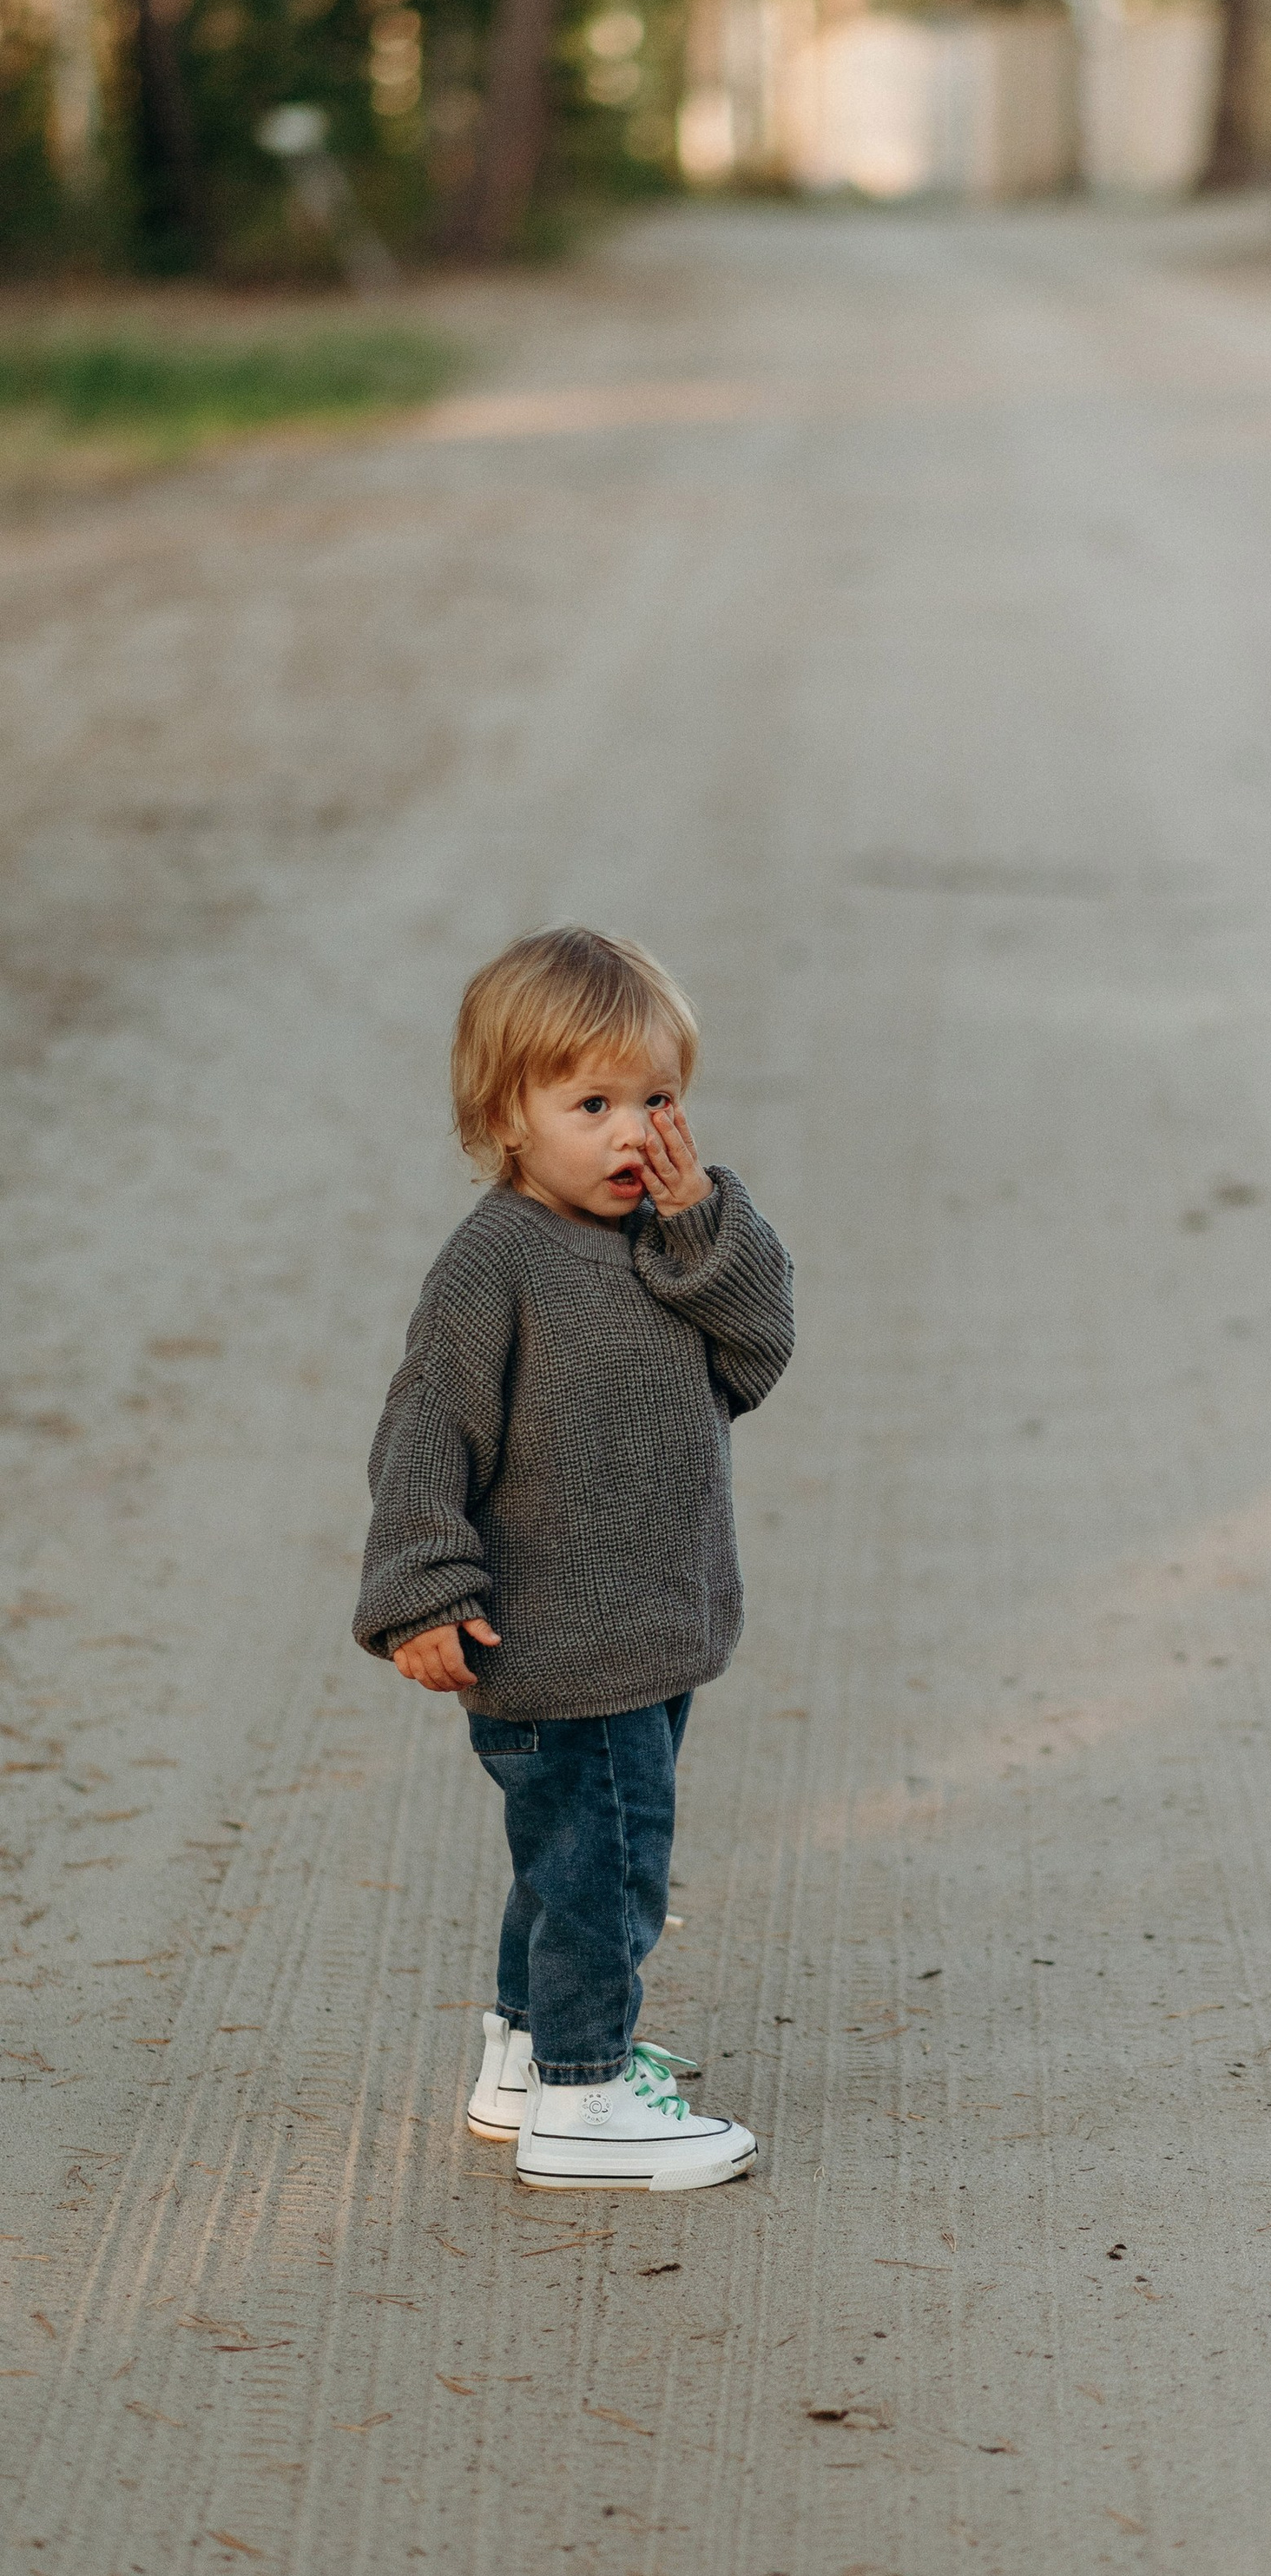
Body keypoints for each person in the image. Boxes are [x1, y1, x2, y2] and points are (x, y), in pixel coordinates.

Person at [353, 926, 795, 2192]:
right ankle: (584, 2102)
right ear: (506, 1118)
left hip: (651, 1630)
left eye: (656, 1100)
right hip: (555, 1642)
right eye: (590, 1103)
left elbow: (758, 1350)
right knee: (608, 1876)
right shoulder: (494, 1263)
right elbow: (424, 1429)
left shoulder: (669, 1242)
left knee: (563, 1867)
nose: (630, 1133)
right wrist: (423, 1591)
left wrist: (700, 1214)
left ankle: (523, 2059)